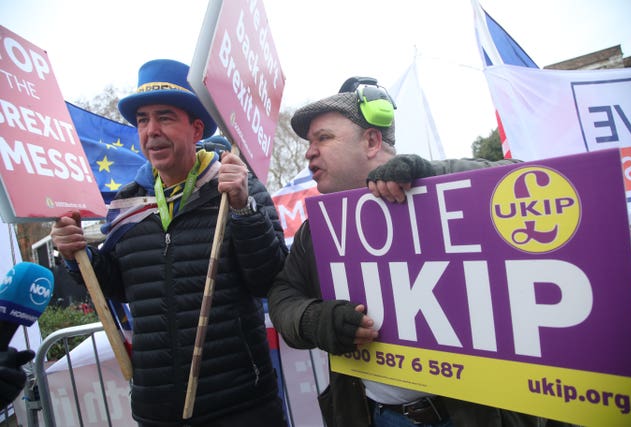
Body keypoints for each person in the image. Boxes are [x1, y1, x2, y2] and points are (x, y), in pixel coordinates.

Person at [267, 79, 566, 427]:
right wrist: (313, 320)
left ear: (371, 141)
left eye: (323, 138)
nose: (309, 152)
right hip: (373, 415)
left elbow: (529, 181)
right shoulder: (317, 229)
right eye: (309, 142)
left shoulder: (441, 184)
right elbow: (283, 293)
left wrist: (434, 179)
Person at [50, 59, 288, 427]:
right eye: (143, 120)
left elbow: (269, 279)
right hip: (157, 410)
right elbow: (121, 287)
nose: (152, 130)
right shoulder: (128, 203)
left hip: (242, 406)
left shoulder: (239, 188)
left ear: (195, 128)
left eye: (165, 117)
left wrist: (243, 209)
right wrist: (76, 255)